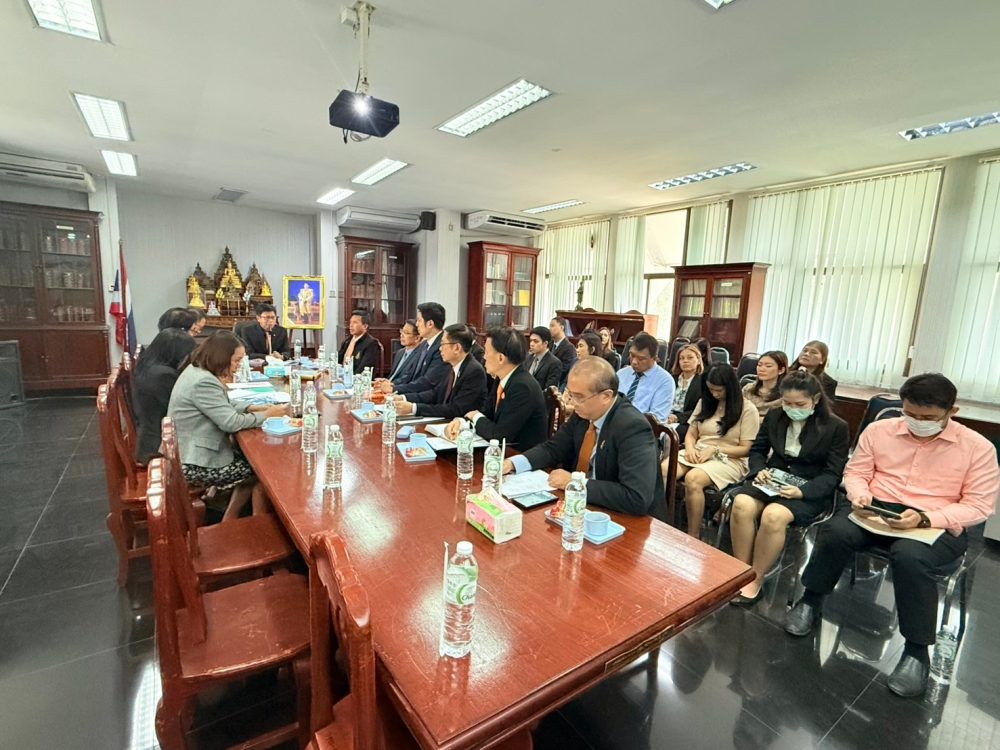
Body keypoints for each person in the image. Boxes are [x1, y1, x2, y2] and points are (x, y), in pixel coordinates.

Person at [785, 373, 999, 698]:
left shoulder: (978, 448)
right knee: (835, 531)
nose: (917, 422)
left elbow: (979, 506)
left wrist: (926, 518)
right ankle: (810, 602)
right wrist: (859, 494)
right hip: (877, 508)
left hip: (935, 520)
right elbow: (856, 472)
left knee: (910, 557)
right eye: (910, 413)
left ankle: (916, 652)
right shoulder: (880, 431)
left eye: (928, 418)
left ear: (951, 411)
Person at [728, 371, 849, 605]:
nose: (792, 409)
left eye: (799, 404)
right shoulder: (775, 416)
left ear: (815, 399)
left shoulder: (836, 427)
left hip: (808, 488)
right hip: (772, 480)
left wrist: (803, 491)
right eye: (787, 403)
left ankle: (756, 578)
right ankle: (741, 571)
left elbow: (833, 473)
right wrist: (759, 470)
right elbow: (758, 451)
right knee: (741, 504)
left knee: (773, 516)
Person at [502, 357, 665, 520]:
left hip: (626, 519)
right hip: (582, 507)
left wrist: (575, 482)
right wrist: (513, 463)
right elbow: (553, 448)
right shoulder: (584, 414)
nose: (572, 403)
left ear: (606, 396)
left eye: (579, 397)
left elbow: (636, 497)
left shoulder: (632, 427)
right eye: (570, 395)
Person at [167, 332, 287, 520]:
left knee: (252, 463)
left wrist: (251, 407)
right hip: (194, 462)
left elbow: (221, 404)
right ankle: (256, 522)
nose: (239, 365)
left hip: (186, 452)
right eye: (237, 360)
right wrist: (266, 415)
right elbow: (231, 422)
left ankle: (229, 516)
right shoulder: (204, 382)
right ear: (221, 357)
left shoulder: (196, 371)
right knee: (261, 470)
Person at [674, 364, 760, 537]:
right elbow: (691, 433)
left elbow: (746, 449)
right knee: (664, 470)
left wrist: (715, 450)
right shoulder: (705, 402)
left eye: (719, 390)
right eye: (710, 389)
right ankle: (665, 521)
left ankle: (693, 534)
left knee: (693, 479)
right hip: (699, 450)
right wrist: (689, 448)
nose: (714, 394)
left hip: (730, 458)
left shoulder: (748, 409)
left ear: (730, 387)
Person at [444, 326, 547, 450]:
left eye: (487, 352)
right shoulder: (502, 378)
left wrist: (474, 416)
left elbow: (500, 435)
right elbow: (486, 414)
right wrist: (462, 422)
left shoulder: (522, 387)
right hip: (500, 451)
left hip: (518, 454)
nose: (484, 357)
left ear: (501, 358)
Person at [394, 324, 487, 419]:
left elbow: (455, 409)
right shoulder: (451, 366)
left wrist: (414, 408)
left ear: (457, 348)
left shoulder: (473, 371)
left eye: (443, 344)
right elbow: (436, 393)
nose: (440, 348)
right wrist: (403, 398)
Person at [132, 328, 197, 463]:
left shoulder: (148, 365)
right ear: (176, 353)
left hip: (149, 436)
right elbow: (181, 409)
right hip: (160, 447)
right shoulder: (164, 376)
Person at [377, 302, 448, 396]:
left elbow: (427, 382)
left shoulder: (442, 346)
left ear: (430, 324)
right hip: (412, 393)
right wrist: (391, 384)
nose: (417, 324)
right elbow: (410, 374)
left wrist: (394, 389)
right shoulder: (424, 345)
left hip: (425, 398)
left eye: (419, 320)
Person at [616, 332, 674, 423]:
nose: (634, 362)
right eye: (632, 355)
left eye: (641, 359)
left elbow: (656, 419)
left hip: (641, 428)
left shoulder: (665, 381)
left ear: (654, 358)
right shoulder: (621, 374)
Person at [669, 343, 704, 439]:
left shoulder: (703, 382)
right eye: (681, 358)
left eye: (690, 358)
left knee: (670, 435)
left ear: (698, 360)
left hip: (687, 421)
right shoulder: (671, 379)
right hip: (666, 416)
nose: (685, 361)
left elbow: (701, 409)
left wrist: (677, 418)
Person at [742, 350, 788, 421]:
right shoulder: (748, 389)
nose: (761, 369)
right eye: (759, 365)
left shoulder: (786, 395)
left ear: (781, 370)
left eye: (768, 366)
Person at [338, 309, 380, 374]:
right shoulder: (348, 341)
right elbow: (338, 360)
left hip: (358, 378)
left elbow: (363, 369)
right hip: (343, 375)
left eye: (355, 322)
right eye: (350, 322)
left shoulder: (371, 344)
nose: (351, 325)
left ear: (365, 326)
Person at [525, 326, 563, 391]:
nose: (531, 344)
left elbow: (549, 390)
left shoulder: (554, 363)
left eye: (536, 341)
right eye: (531, 340)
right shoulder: (528, 358)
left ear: (545, 343)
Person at [387, 319, 421, 384]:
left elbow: (408, 379)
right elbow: (393, 375)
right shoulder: (400, 352)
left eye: (406, 333)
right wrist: (385, 381)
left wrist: (390, 384)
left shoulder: (419, 355)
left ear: (417, 338)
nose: (402, 335)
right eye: (402, 331)